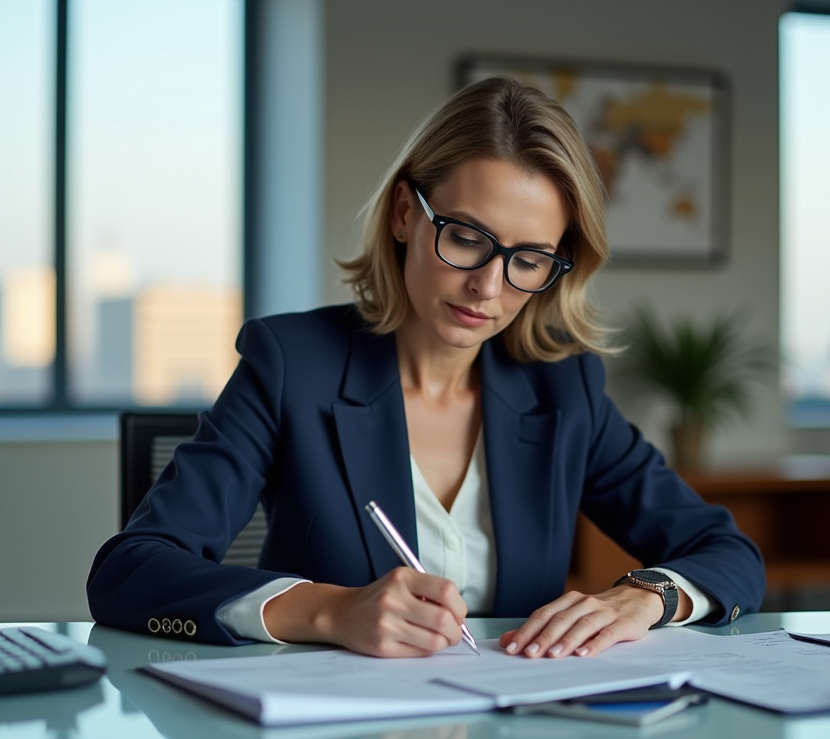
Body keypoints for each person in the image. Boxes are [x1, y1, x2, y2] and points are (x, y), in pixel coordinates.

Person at [87, 76, 764, 658]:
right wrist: (329, 611)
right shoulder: (292, 365)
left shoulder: (563, 387)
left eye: (529, 259)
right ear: (405, 214)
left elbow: (728, 552)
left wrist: (648, 596)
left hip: (516, 736)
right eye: (466, 237)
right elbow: (130, 572)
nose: (488, 287)